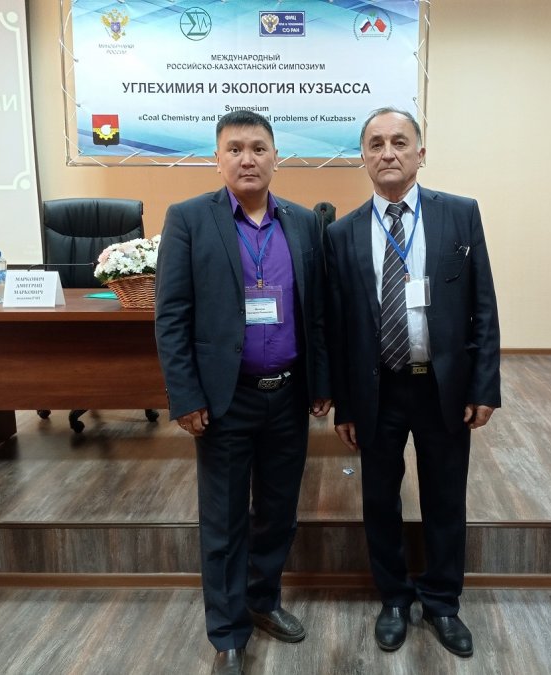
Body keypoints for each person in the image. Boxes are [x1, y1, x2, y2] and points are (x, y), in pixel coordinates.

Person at [155, 110, 331, 675]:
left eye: (258, 148)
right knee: (224, 521)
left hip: (289, 397)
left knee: (278, 514)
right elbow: (171, 317)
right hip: (225, 400)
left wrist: (322, 383)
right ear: (217, 159)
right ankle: (228, 634)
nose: (247, 159)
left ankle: (261, 600)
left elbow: (317, 313)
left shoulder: (303, 223)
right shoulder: (188, 219)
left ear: (276, 157)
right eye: (235, 149)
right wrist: (185, 397)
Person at [324, 107, 501, 658]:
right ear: (363, 157)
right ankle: (395, 599)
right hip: (377, 390)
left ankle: (443, 602)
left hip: (442, 387)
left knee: (445, 497)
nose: (388, 153)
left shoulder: (460, 214)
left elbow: (483, 305)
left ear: (421, 153)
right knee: (380, 499)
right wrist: (345, 405)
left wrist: (483, 386)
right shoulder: (342, 233)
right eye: (375, 143)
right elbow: (338, 326)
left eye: (399, 142)